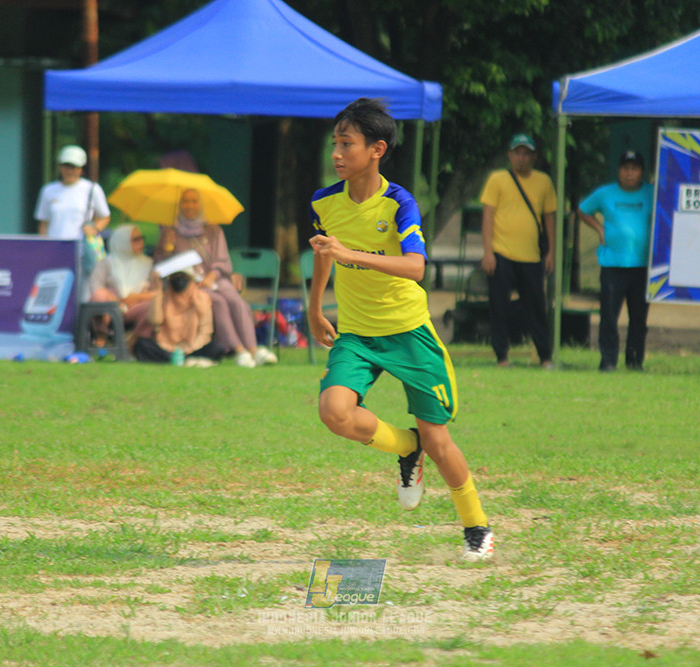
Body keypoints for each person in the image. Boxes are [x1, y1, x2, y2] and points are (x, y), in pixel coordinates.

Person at [307, 97, 493, 561]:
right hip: (357, 334)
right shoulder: (323, 202)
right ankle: (407, 449)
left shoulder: (399, 202)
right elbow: (323, 251)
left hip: (409, 335)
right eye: (335, 143)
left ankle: (476, 526)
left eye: (346, 144)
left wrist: (352, 255)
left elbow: (414, 266)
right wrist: (314, 308)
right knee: (334, 411)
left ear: (377, 149)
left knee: (440, 440)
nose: (336, 153)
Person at [153, 187, 277, 368]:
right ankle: (239, 350)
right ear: (179, 206)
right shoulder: (170, 232)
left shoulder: (213, 230)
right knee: (219, 303)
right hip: (190, 285)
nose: (190, 206)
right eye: (185, 202)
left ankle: (254, 349)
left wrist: (211, 277)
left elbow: (222, 261)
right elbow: (161, 266)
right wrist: (167, 247)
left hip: (215, 279)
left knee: (237, 302)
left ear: (200, 205)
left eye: (194, 201)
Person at [479, 133, 556, 369]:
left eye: (526, 153)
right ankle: (501, 356)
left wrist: (551, 252)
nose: (521, 158)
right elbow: (488, 216)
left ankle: (545, 356)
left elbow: (549, 218)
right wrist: (488, 252)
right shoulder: (498, 179)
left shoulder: (543, 181)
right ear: (510, 155)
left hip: (531, 256)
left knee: (536, 307)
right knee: (498, 307)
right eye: (517, 153)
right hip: (501, 253)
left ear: (533, 156)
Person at [577, 150, 655, 372]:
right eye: (625, 169)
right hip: (613, 265)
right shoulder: (605, 194)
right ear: (619, 171)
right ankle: (608, 360)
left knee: (639, 318)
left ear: (642, 172)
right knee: (609, 316)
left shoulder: (652, 193)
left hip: (642, 266)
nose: (630, 173)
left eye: (635, 169)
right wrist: (599, 228)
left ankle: (634, 361)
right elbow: (583, 211)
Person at [130, 270, 222, 367]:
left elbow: (205, 331)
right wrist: (158, 289)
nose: (179, 280)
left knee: (216, 347)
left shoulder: (202, 299)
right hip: (166, 346)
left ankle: (183, 360)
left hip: (193, 347)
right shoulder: (165, 297)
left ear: (191, 280)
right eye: (175, 277)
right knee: (142, 345)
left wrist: (190, 348)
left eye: (183, 277)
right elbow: (155, 321)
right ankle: (186, 361)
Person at [86, 225, 156, 342]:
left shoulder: (148, 264)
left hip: (136, 306)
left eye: (142, 238)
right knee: (99, 296)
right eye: (136, 239)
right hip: (112, 306)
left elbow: (158, 292)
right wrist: (115, 300)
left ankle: (134, 341)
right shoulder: (106, 262)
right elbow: (95, 286)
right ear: (122, 242)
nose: (141, 242)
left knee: (151, 306)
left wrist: (137, 297)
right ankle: (101, 337)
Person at [34, 145, 110, 243]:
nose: (69, 171)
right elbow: (43, 224)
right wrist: (44, 246)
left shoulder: (92, 188)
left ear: (81, 169)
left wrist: (94, 229)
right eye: (66, 166)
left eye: (73, 167)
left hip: (82, 247)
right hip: (54, 247)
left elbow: (105, 217)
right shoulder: (48, 190)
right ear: (60, 167)